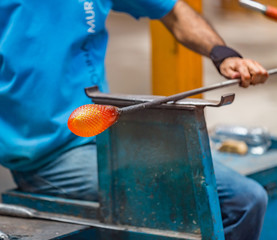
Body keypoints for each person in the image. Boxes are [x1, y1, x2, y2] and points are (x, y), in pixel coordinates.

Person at [0, 0, 268, 239]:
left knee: (246, 199)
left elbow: (174, 11)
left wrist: (223, 54)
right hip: (47, 155)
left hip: (110, 134)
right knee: (230, 202)